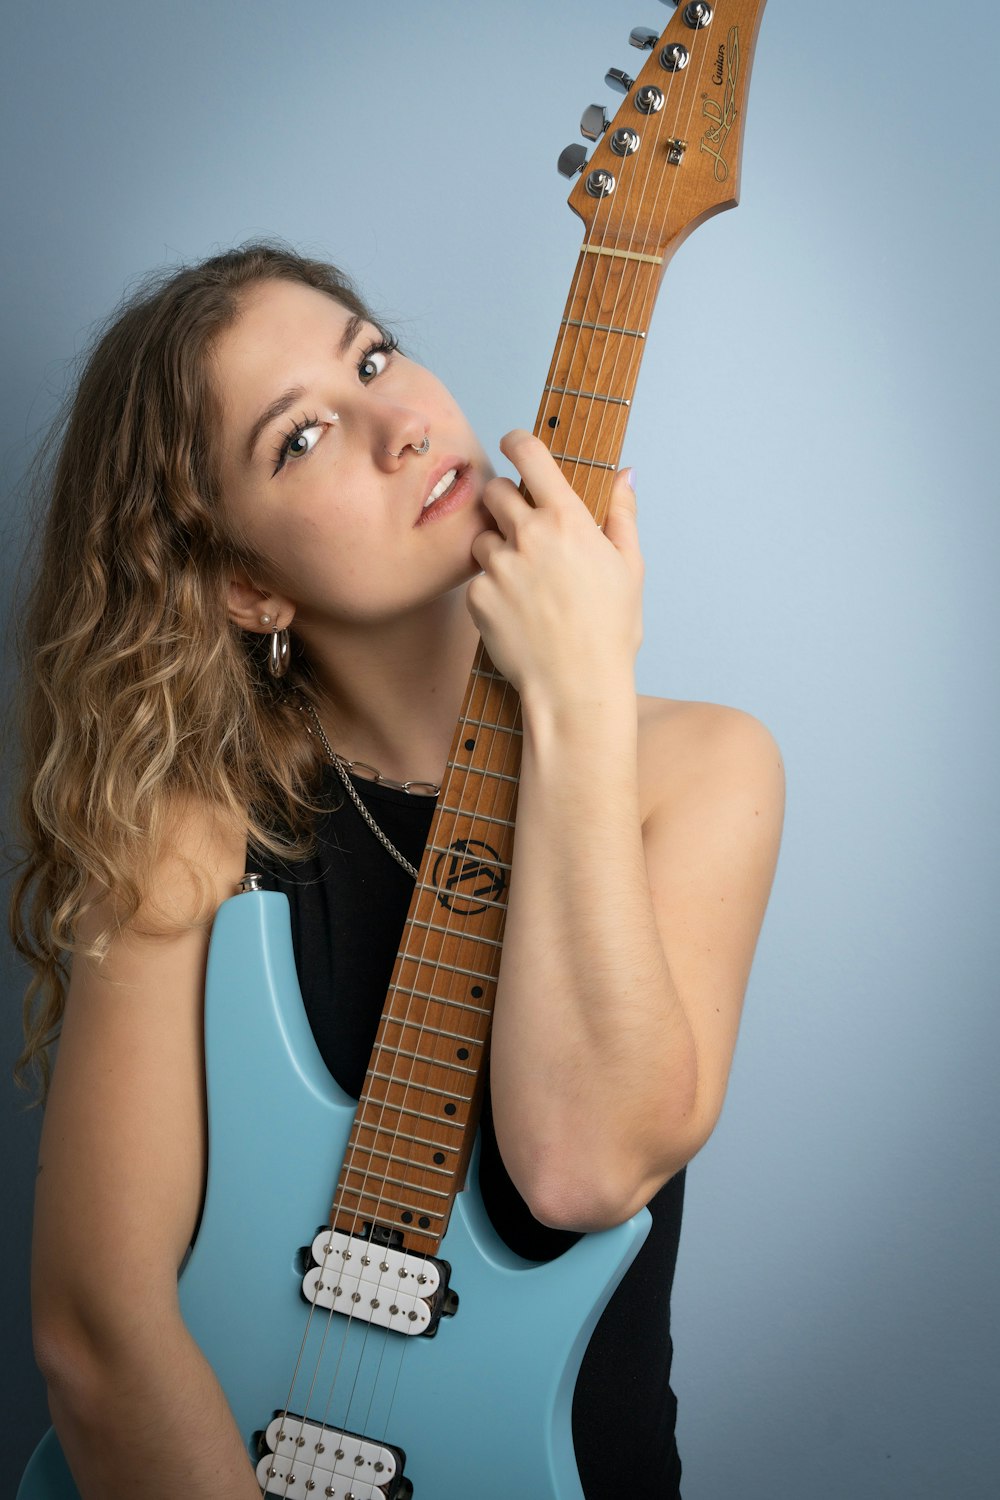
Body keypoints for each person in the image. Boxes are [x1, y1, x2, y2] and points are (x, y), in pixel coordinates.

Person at [12, 242, 784, 1499]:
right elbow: (98, 1337)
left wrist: (579, 694)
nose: (398, 423)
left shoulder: (703, 771)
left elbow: (580, 1166)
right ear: (247, 585)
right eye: (302, 437)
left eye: (372, 356)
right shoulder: (192, 837)